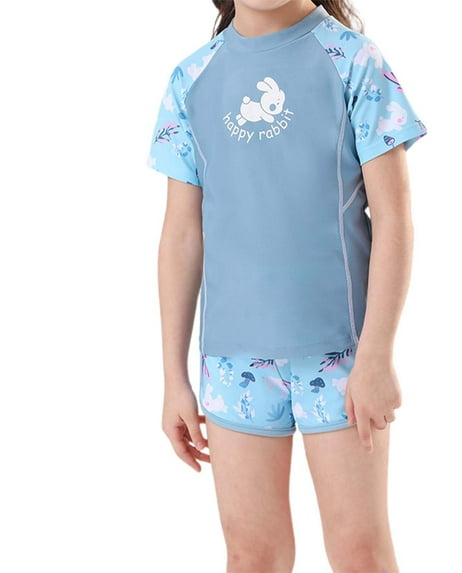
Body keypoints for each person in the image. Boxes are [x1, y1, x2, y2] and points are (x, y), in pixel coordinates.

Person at [147, 0, 427, 571]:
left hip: (342, 359)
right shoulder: (192, 78)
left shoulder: (353, 60)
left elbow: (393, 217)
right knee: (252, 555)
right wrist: (174, 376)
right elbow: (181, 234)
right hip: (233, 364)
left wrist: (376, 356)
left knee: (360, 552)